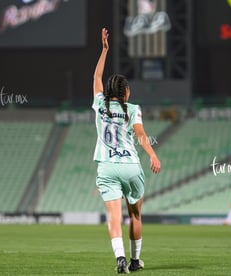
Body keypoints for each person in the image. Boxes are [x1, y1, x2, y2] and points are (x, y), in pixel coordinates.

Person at [92, 28, 161, 273]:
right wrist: (152, 155)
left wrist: (104, 51)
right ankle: (135, 261)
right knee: (135, 216)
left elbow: (96, 78)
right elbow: (141, 134)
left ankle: (120, 259)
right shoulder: (132, 109)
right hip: (131, 165)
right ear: (126, 92)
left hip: (107, 166)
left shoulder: (100, 105)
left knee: (113, 216)